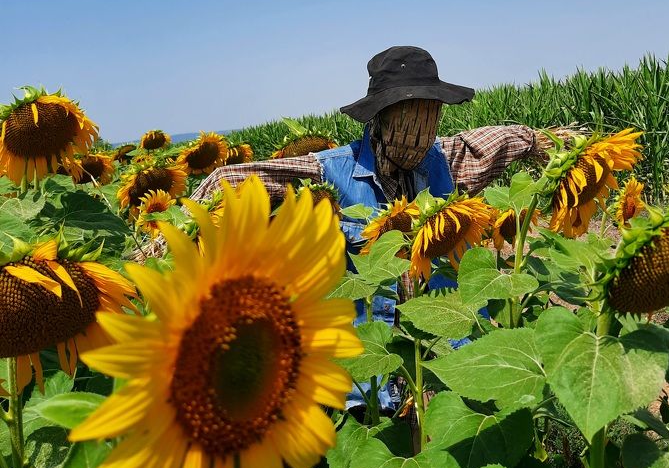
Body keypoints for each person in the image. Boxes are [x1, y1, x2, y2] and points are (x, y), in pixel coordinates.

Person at [192, 46, 551, 414]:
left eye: (429, 121)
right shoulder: (330, 172)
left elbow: (496, 142)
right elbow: (230, 178)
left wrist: (541, 143)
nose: (418, 136)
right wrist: (176, 234)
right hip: (363, 382)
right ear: (378, 120)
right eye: (408, 122)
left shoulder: (443, 161)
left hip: (448, 355)